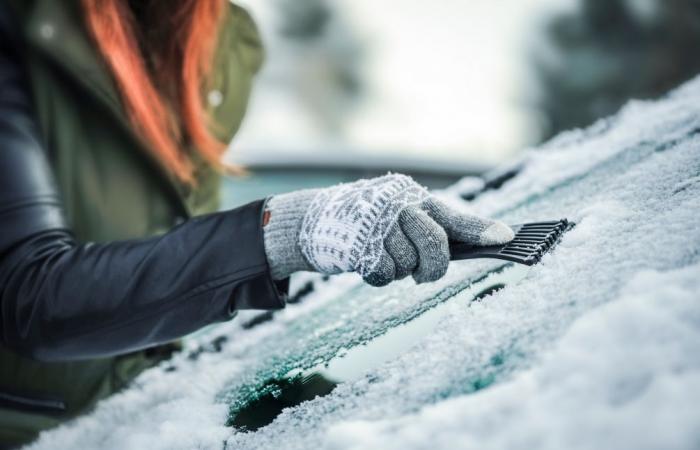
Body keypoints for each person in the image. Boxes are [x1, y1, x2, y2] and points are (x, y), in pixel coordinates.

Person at [0, 0, 513, 446]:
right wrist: (290, 230)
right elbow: (29, 296)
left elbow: (172, 268)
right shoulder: (20, 26)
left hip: (144, 419)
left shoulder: (220, 46)